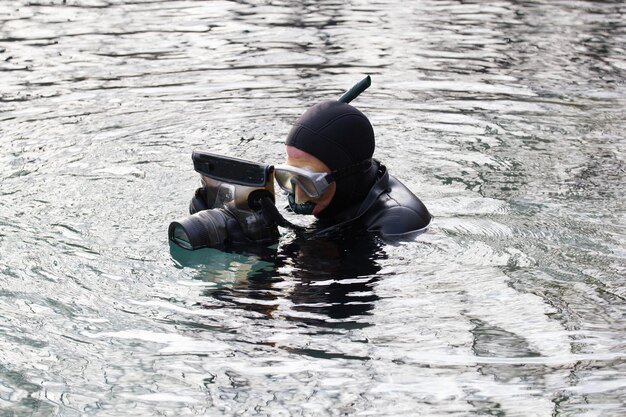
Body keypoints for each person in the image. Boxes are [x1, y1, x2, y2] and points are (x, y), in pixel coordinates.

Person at [274, 100, 432, 237]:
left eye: (309, 182)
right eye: (289, 177)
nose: (298, 198)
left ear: (344, 175)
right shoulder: (339, 193)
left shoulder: (398, 225)